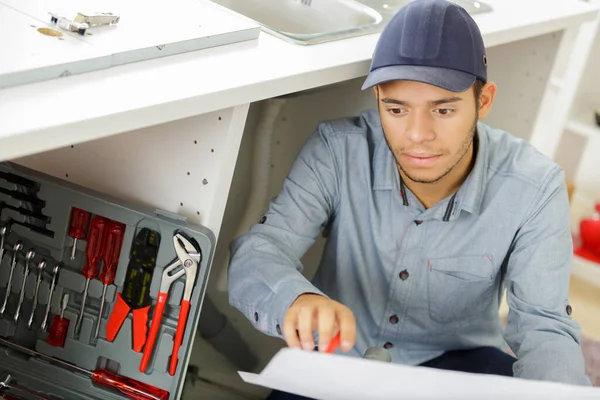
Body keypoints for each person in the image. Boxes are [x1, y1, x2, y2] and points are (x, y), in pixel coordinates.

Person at [227, 0, 591, 398]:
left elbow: (544, 326)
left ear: (483, 100)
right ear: (379, 97)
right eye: (397, 109)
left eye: (443, 109)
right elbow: (260, 250)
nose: (417, 134)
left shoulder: (535, 187)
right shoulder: (337, 151)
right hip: (335, 365)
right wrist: (295, 298)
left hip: (457, 371)